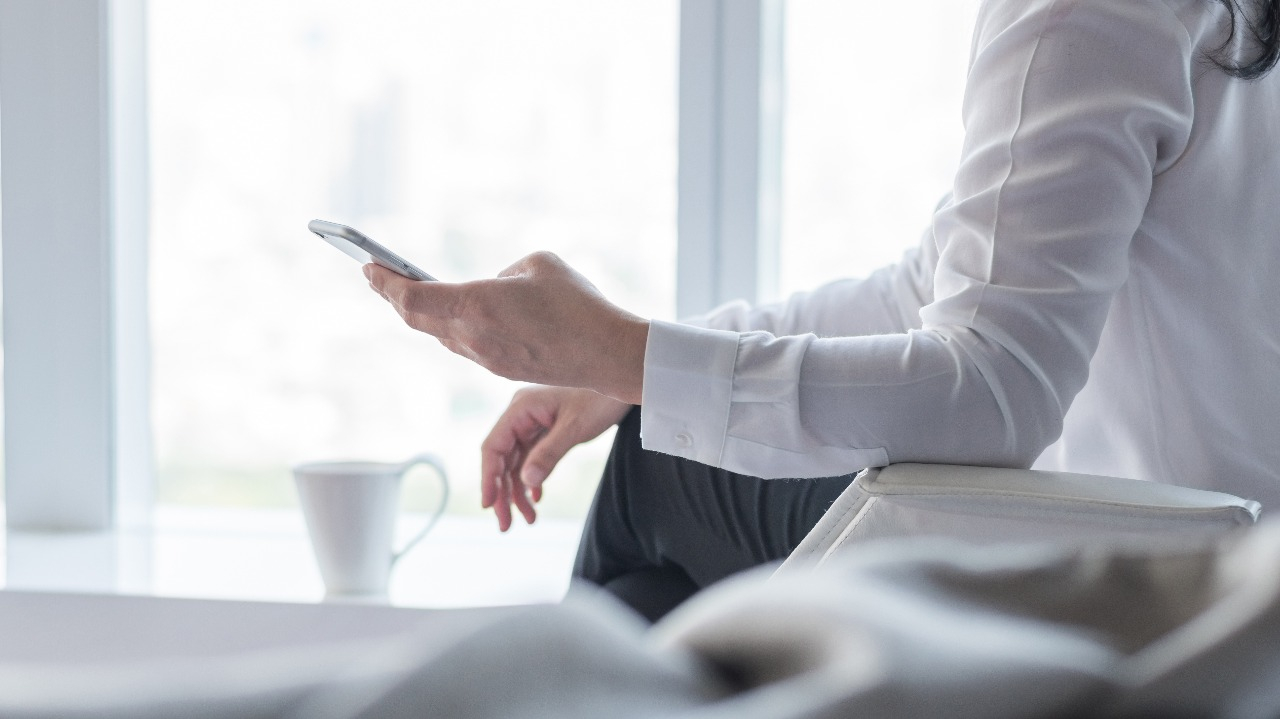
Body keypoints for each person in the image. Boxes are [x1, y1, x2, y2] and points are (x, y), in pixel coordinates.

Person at [365, 0, 1280, 621]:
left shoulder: (1081, 14)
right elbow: (928, 289)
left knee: (661, 465)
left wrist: (627, 356)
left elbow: (994, 392)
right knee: (657, 567)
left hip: (1165, 582)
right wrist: (633, 360)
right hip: (1240, 568)